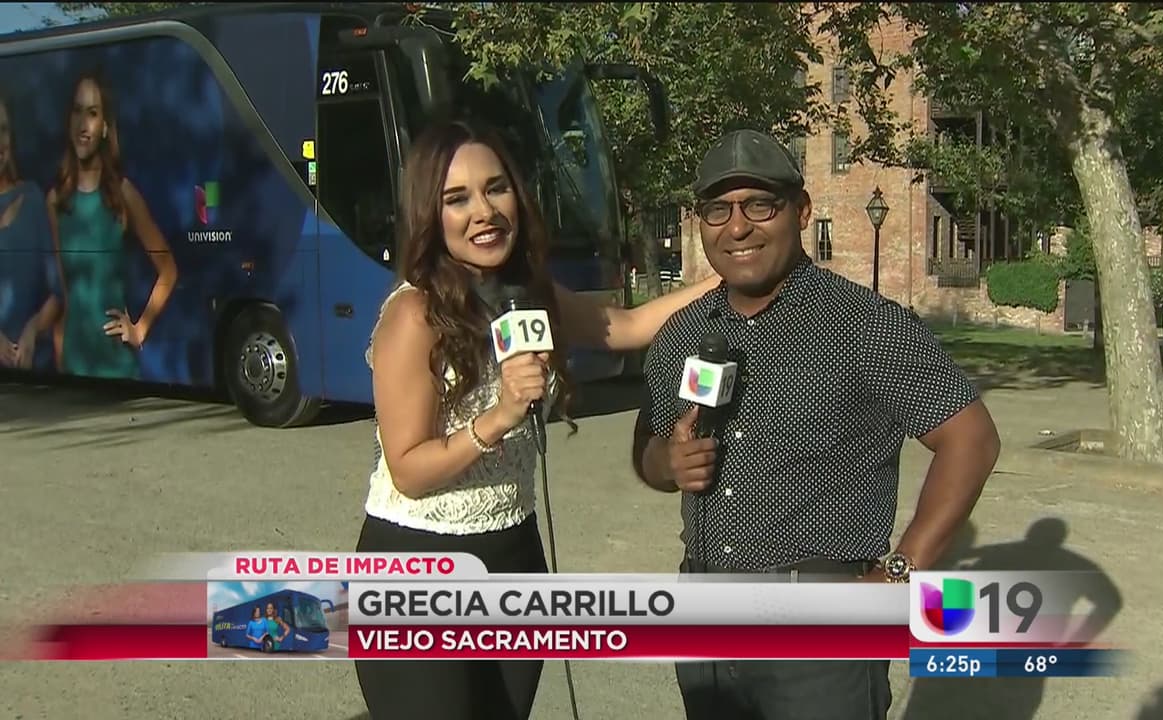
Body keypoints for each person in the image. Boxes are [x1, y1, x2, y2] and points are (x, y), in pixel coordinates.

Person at [355, 118, 720, 720]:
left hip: (514, 552)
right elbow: (409, 471)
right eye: (457, 198)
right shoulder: (413, 315)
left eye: (495, 188)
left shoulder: (527, 294)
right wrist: (500, 415)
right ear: (429, 215)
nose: (484, 212)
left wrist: (729, 276)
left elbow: (625, 327)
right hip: (417, 567)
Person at [630, 129, 1001, 720]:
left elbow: (971, 440)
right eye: (718, 210)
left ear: (801, 212)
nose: (737, 227)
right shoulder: (683, 332)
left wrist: (900, 576)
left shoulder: (865, 324)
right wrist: (666, 463)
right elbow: (648, 448)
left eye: (759, 205)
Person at [47, 68, 177, 378]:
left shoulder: (122, 194)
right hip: (73, 366)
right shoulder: (55, 201)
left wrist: (140, 329)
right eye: (77, 111)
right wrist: (60, 354)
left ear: (105, 126)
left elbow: (168, 270)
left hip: (117, 369)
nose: (83, 124)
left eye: (92, 113)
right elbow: (65, 292)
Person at [0, 90, 61, 370]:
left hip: (31, 376)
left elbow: (56, 294)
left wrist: (32, 330)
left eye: (3, 130)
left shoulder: (33, 199)